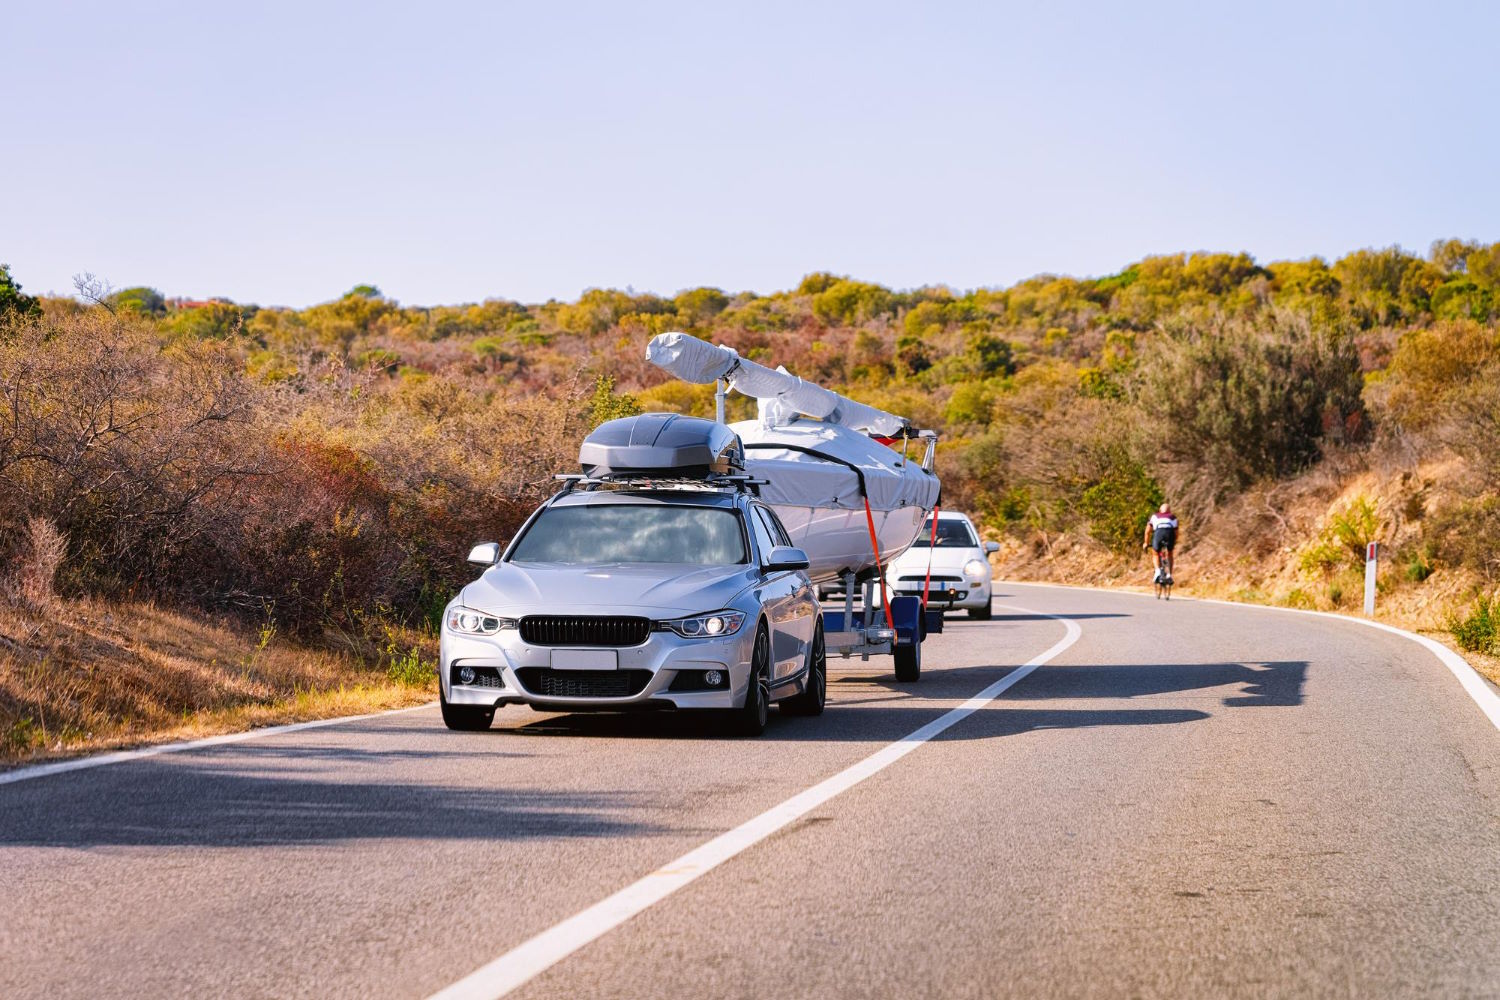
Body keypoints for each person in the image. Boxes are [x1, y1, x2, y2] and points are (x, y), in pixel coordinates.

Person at [1142, 503, 1179, 583]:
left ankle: (1158, 572)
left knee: (1155, 553)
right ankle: (1169, 575)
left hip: (1159, 533)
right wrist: (1173, 542)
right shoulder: (1173, 517)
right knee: (1170, 554)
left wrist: (1146, 543)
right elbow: (1176, 533)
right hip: (1170, 534)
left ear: (1160, 510)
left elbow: (1147, 532)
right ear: (1169, 511)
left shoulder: (1154, 516)